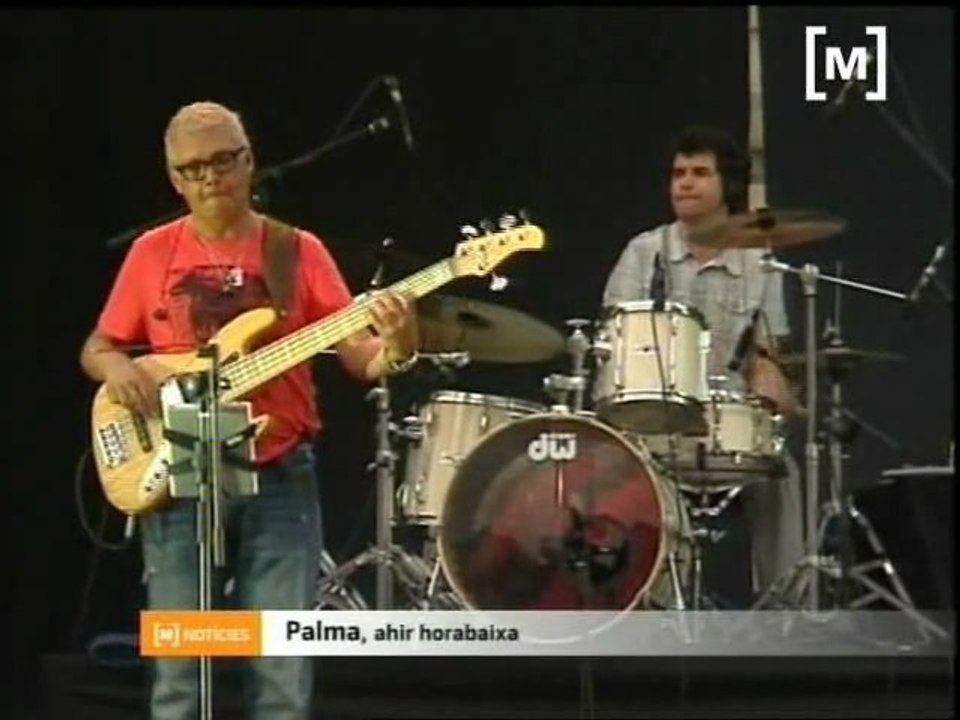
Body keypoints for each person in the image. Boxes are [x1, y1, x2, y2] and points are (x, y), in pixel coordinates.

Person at [79, 101, 419, 720]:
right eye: (193, 168)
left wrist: (400, 344)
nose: (210, 178)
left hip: (279, 473)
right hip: (179, 468)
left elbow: (358, 357)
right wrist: (122, 368)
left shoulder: (297, 251)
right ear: (174, 179)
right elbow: (97, 349)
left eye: (222, 161)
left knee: (281, 668)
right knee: (180, 673)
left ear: (248, 161)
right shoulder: (152, 253)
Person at [599, 124, 805, 604]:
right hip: (652, 424)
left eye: (698, 173)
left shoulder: (759, 260)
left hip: (727, 422)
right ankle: (658, 612)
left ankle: (791, 610)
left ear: (728, 186)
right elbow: (615, 343)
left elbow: (766, 352)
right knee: (629, 472)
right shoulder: (643, 253)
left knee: (782, 472)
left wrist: (773, 385)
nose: (683, 184)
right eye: (677, 174)